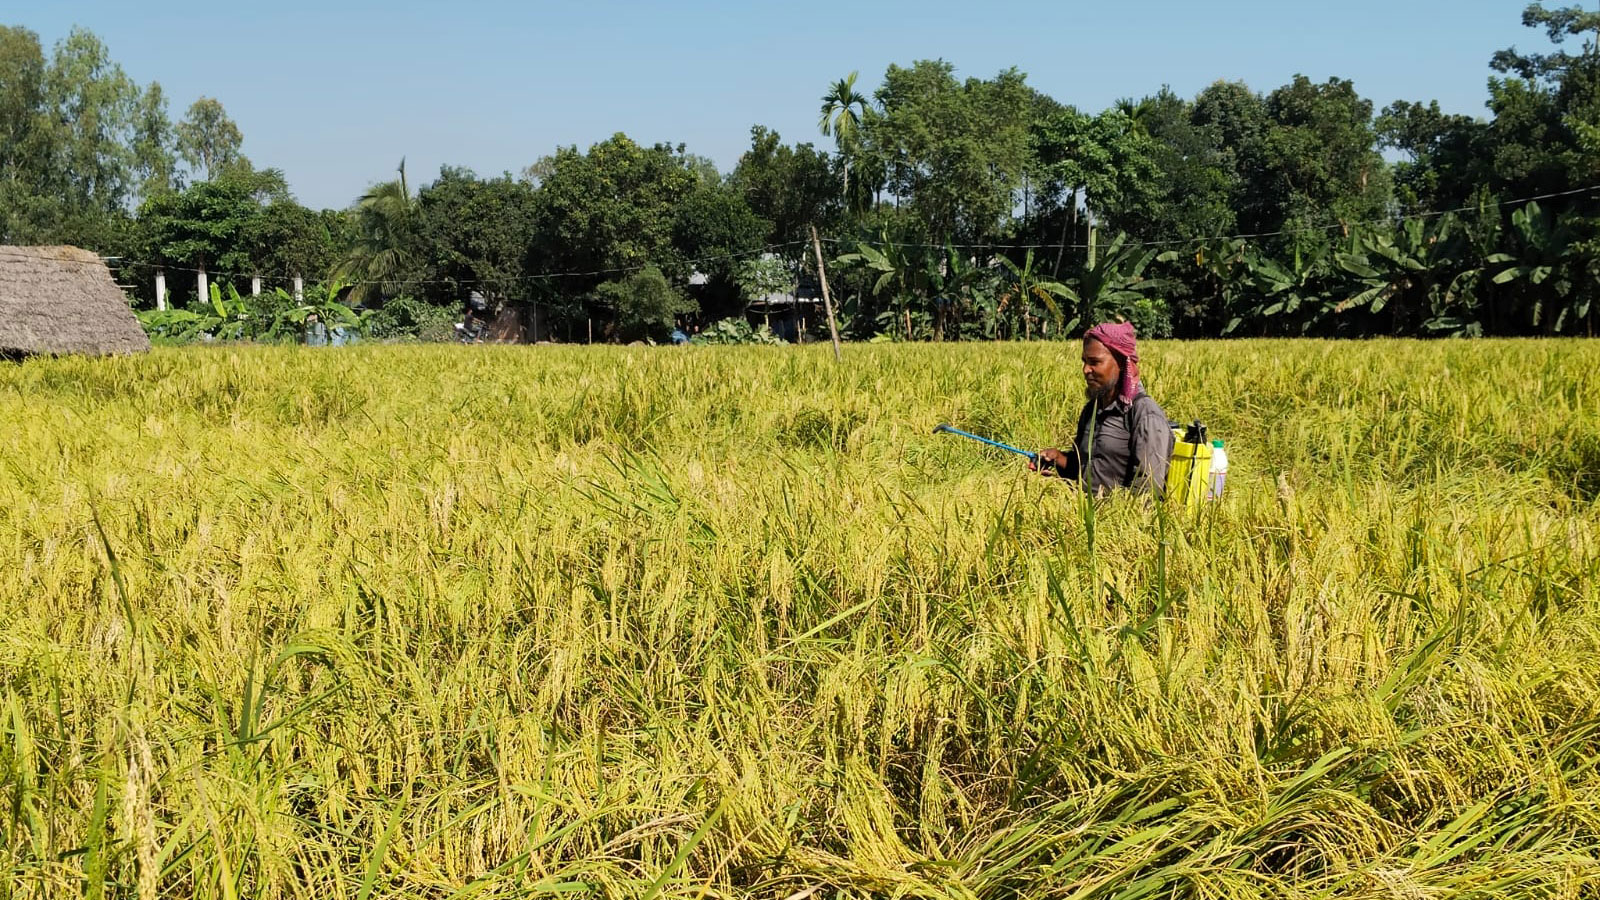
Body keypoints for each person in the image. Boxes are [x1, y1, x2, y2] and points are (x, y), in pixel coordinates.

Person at [1033, 322, 1175, 496]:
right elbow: (1082, 467)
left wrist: (1114, 518)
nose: (1085, 370)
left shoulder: (1145, 414)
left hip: (1119, 519)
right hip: (1083, 513)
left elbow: (1148, 489)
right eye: (1084, 361)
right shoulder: (1092, 409)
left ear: (1122, 363)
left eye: (1094, 362)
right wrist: (1058, 459)